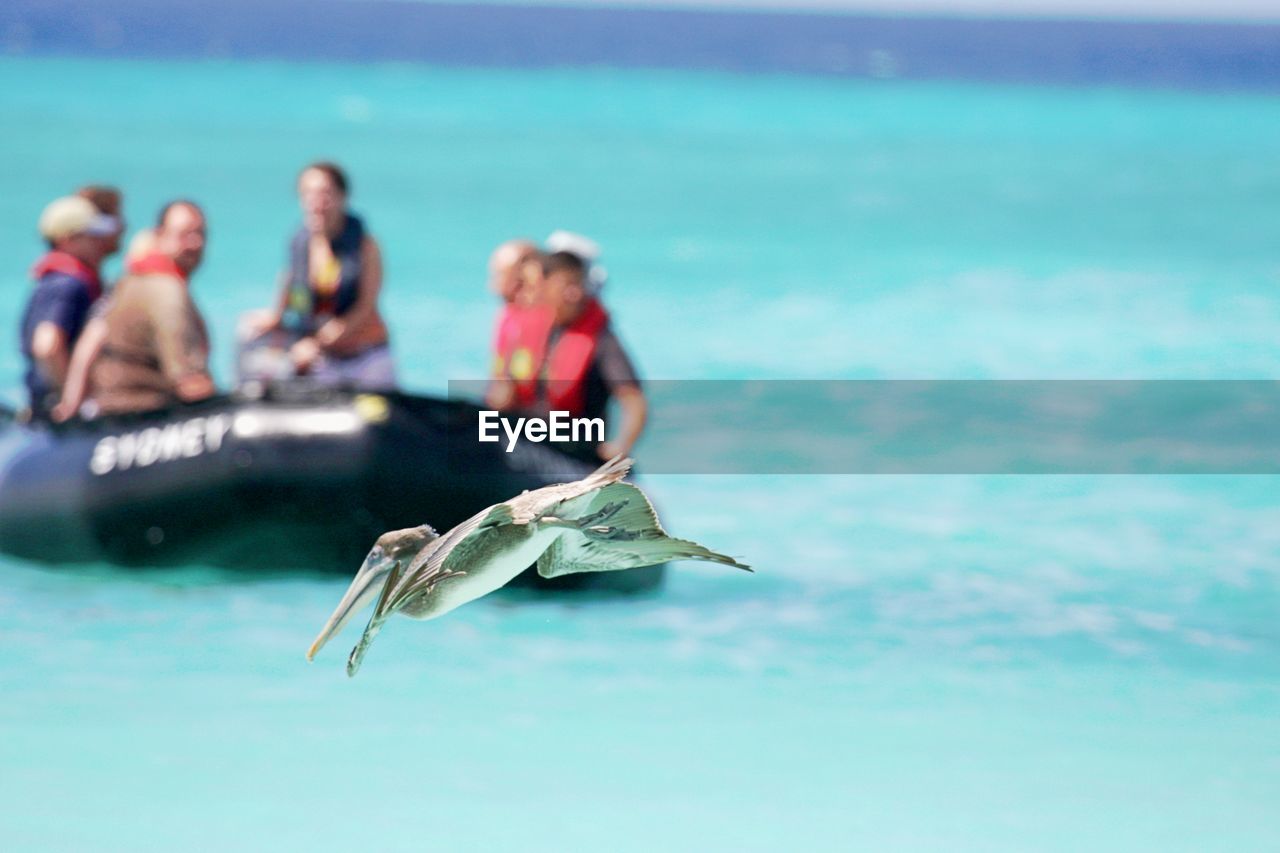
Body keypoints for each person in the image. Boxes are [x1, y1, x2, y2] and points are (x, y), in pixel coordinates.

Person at [492, 234, 647, 461]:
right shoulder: (528, 328)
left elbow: (634, 401)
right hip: (526, 443)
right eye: (566, 285)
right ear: (545, 286)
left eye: (579, 285)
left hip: (572, 453)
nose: (574, 293)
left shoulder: (602, 340)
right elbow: (503, 395)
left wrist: (621, 446)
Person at [244, 161, 394, 389]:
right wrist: (276, 315)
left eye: (325, 194)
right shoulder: (301, 244)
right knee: (247, 333)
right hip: (324, 359)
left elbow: (365, 306)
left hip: (363, 355)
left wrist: (315, 343)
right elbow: (291, 281)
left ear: (342, 197)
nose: (316, 203)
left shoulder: (365, 246)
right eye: (308, 194)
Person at [87, 200, 215, 416]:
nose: (195, 243)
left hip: (108, 409)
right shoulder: (166, 290)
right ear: (160, 235)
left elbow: (89, 345)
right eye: (184, 234)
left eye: (200, 234)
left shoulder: (129, 281)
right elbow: (188, 381)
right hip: (143, 411)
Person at [19, 195, 117, 419]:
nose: (99, 242)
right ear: (67, 240)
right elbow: (47, 344)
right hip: (55, 402)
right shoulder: (68, 284)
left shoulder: (53, 280)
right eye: (91, 236)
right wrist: (71, 400)